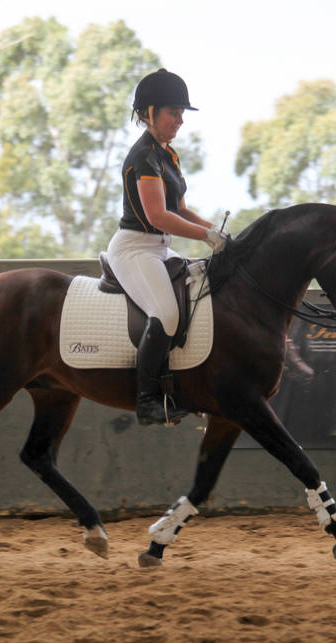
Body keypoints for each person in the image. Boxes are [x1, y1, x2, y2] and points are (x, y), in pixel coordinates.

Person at [107, 68, 228, 426]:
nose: (180, 120)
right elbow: (158, 216)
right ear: (150, 112)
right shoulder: (143, 156)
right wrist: (206, 238)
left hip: (160, 249)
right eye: (173, 112)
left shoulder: (168, 155)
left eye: (181, 113)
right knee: (167, 314)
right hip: (134, 249)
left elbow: (181, 210)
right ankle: (146, 401)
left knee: (198, 295)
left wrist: (217, 231)